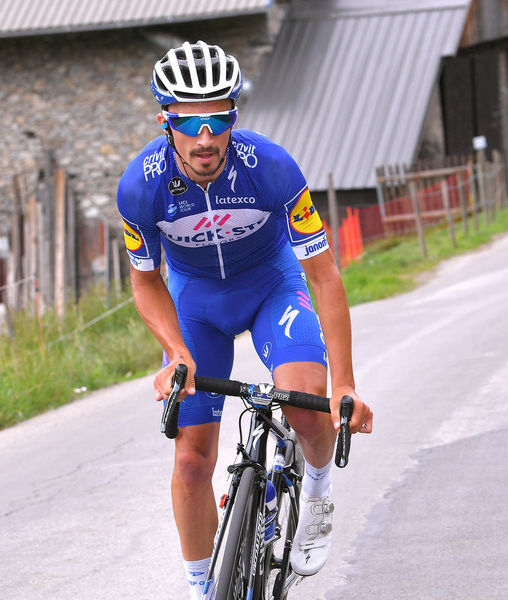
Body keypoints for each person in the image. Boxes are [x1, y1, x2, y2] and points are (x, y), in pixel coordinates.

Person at [116, 41, 374, 600]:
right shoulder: (142, 184)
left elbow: (325, 277)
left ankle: (317, 493)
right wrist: (177, 353)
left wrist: (346, 384)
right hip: (195, 306)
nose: (205, 137)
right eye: (190, 121)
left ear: (234, 114)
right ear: (167, 121)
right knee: (190, 461)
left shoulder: (272, 167)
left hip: (271, 288)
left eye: (219, 117)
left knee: (307, 410)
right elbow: (144, 281)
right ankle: (199, 586)